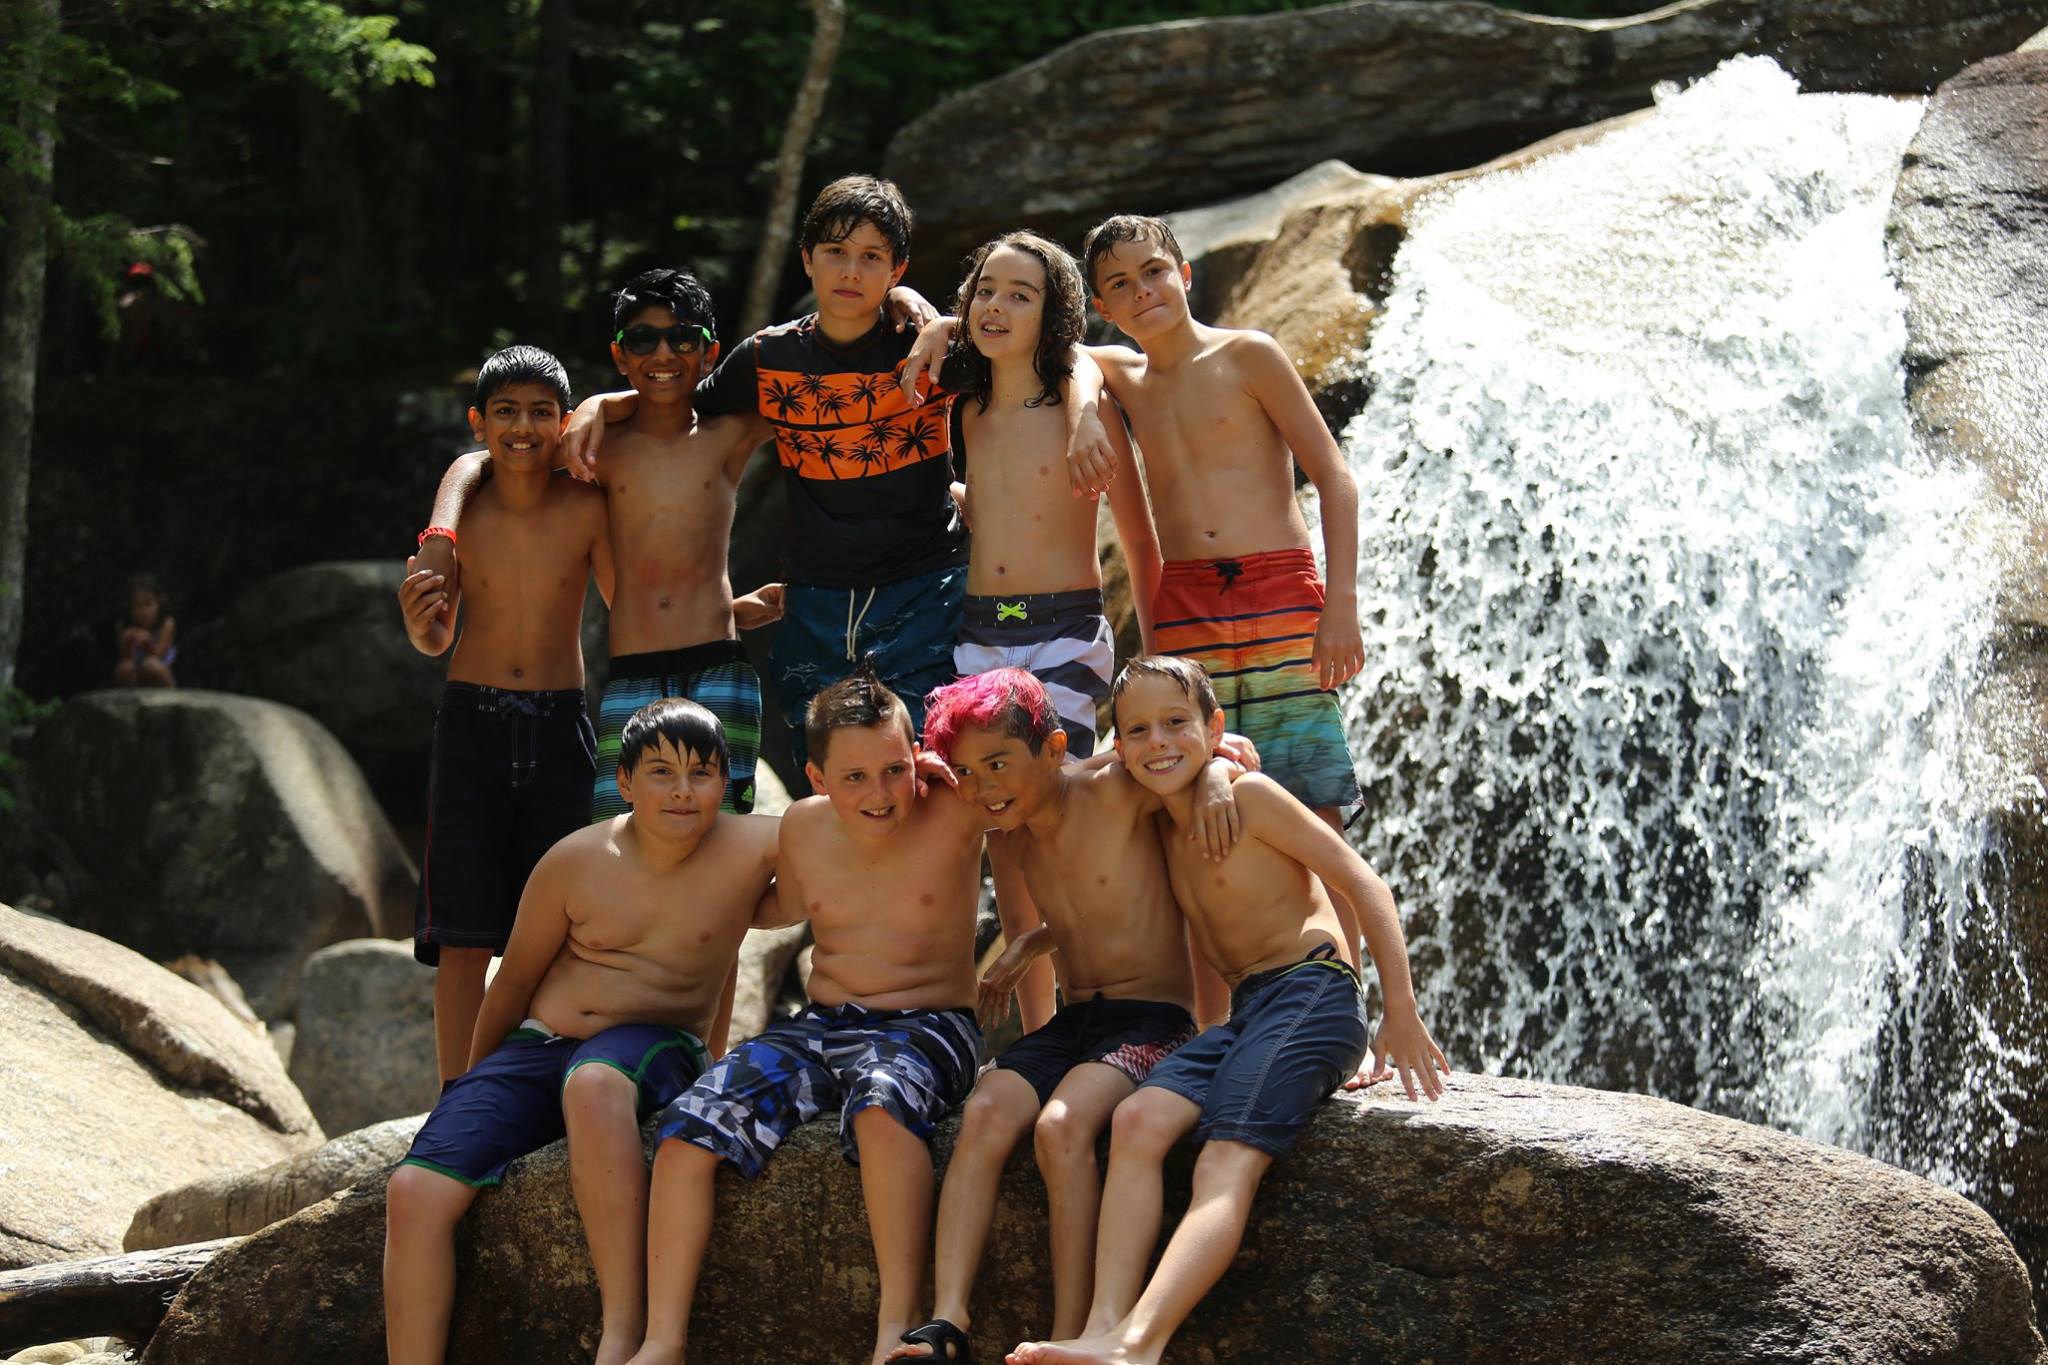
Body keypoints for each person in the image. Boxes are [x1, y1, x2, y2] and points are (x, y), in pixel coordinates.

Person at [562, 177, 1112, 781]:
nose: (851, 271)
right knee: (825, 773)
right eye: (835, 252)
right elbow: (674, 403)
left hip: (926, 589)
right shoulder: (767, 359)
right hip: (815, 598)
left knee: (924, 773)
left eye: (872, 257)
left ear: (897, 268)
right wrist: (599, 405)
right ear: (807, 260)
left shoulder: (928, 351)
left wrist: (951, 329)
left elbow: (1052, 349)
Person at [1006, 655, 1448, 1365]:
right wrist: (1028, 941)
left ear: (1214, 727)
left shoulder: (1251, 797)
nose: (1159, 742)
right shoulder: (1162, 826)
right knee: (1136, 1118)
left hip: (1312, 989)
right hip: (1250, 1012)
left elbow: (1364, 882)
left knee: (1222, 1161)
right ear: (1119, 747)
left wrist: (1397, 1007)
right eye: (1139, 730)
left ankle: (1139, 1344)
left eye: (1177, 724)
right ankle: (1100, 1325)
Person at [383, 699, 781, 1365]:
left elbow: (845, 824)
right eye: (661, 772)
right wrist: (468, 1084)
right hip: (542, 1041)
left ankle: (622, 1331)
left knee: (594, 1081)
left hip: (654, 1043)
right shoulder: (576, 858)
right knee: (413, 1190)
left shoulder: (751, 844)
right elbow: (511, 984)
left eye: (702, 773)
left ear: (726, 781)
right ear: (623, 782)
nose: (683, 791)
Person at [625, 663, 988, 1365]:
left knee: (882, 1104)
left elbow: (1050, 792)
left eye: (894, 768)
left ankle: (897, 1327)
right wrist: (674, 886)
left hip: (932, 1019)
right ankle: (663, 1340)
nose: (880, 793)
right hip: (821, 1024)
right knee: (688, 1127)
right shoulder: (803, 827)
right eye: (854, 777)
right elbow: (778, 907)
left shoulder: (956, 807)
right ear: (818, 778)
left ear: (918, 755)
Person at [890, 668, 1244, 1363]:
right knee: (987, 1107)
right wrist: (1031, 941)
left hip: (1154, 1020)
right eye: (969, 772)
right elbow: (1088, 903)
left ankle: (1075, 1329)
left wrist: (1222, 774)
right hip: (1079, 1018)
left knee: (1059, 1126)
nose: (985, 786)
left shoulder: (1115, 790)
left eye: (999, 763)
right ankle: (946, 1321)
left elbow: (1184, 752)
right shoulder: (1010, 833)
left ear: (1055, 748)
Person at [413, 269, 780, 820]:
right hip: (631, 668)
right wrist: (440, 535)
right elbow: (481, 458)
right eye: (643, 340)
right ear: (620, 354)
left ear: (709, 353)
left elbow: (824, 384)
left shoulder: (729, 435)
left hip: (717, 660)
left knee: (724, 833)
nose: (663, 352)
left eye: (683, 338)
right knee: (625, 839)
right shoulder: (592, 446)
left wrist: (902, 304)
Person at [396, 344, 613, 1083]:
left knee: (556, 929)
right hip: (473, 723)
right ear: (479, 422)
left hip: (558, 723)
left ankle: (532, 1083)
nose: (523, 426)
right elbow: (435, 639)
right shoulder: (464, 513)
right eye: (507, 412)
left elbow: (625, 602)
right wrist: (417, 619)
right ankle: (455, 1093)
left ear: (563, 419)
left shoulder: (586, 505)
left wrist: (721, 615)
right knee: (463, 935)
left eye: (541, 411)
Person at [941, 232, 1160, 761]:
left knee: (1060, 784)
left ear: (1051, 315)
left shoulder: (1086, 411)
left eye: (1021, 295)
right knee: (992, 792)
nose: (996, 305)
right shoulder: (965, 412)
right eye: (985, 291)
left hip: (1065, 628)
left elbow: (1137, 537)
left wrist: (1156, 657)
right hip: (980, 628)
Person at [112, 572, 176, 687]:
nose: (143, 611)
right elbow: (125, 657)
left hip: (159, 671)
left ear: (159, 602)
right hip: (136, 675)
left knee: (151, 665)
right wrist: (128, 641)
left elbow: (159, 655)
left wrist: (147, 643)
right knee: (124, 668)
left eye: (148, 604)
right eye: (137, 605)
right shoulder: (123, 625)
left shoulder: (167, 623)